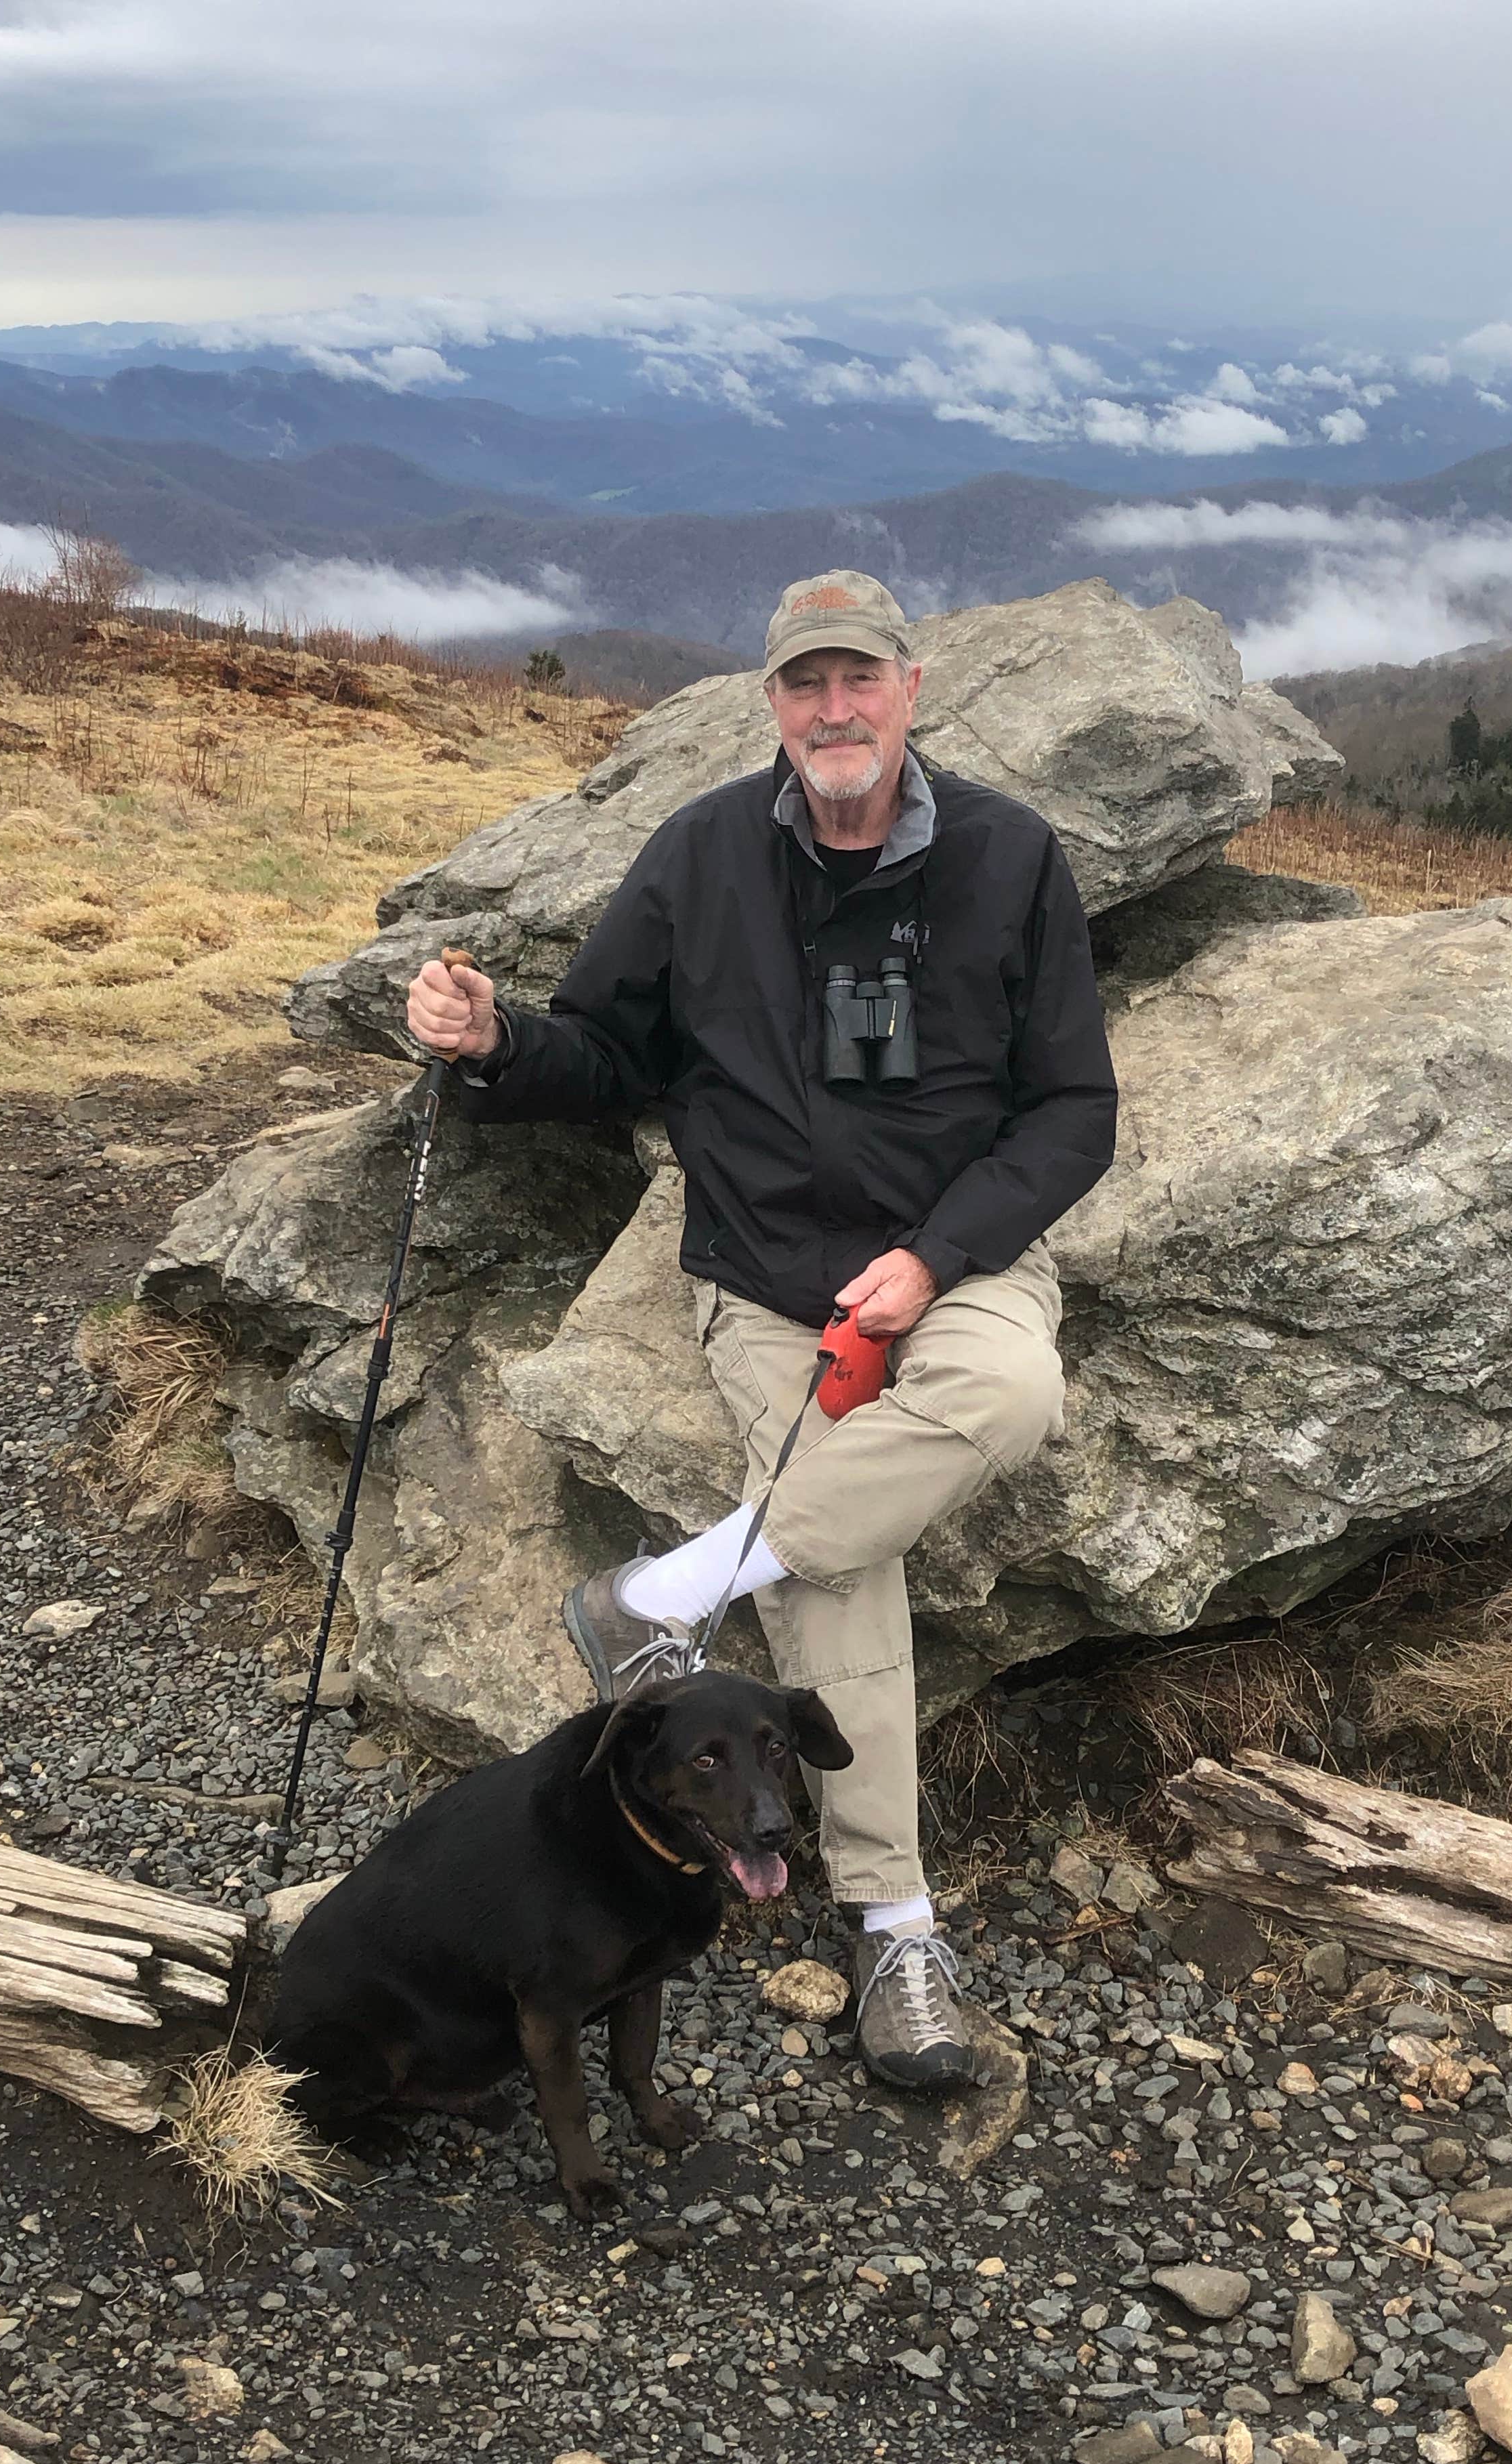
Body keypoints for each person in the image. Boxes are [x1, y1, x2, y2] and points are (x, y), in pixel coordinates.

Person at [405, 570, 1116, 2090]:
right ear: (775, 705)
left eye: (860, 680)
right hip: (765, 1279)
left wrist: (936, 1258)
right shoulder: (704, 856)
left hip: (959, 1261)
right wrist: (492, 1042)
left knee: (1012, 1395)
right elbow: (605, 1048)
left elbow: (1073, 1110)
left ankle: (671, 1588)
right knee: (841, 1559)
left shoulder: (1007, 857)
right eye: (807, 685)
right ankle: (897, 1924)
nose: (835, 711)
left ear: (911, 690)